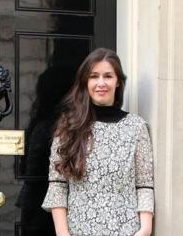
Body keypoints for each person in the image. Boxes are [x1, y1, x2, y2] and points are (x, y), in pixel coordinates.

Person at [41, 48, 154, 236]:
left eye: (108, 76)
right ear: (86, 82)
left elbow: (144, 184)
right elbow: (57, 184)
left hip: (126, 230)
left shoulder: (136, 127)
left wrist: (145, 229)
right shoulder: (68, 127)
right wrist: (63, 234)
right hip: (79, 231)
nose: (101, 83)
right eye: (94, 76)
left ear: (118, 82)